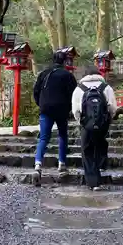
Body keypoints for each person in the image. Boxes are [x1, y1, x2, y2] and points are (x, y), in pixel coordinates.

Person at [32, 51, 77, 186]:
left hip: (46, 109)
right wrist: (70, 109)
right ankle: (61, 164)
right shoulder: (67, 75)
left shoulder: (44, 74)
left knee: (44, 137)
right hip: (62, 110)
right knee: (62, 136)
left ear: (53, 60)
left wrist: (41, 104)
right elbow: (74, 94)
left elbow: (36, 91)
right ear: (64, 62)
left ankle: (38, 165)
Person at [72, 66, 117, 191]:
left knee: (87, 150)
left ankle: (94, 182)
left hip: (86, 124)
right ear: (98, 74)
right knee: (100, 142)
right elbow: (112, 107)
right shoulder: (106, 87)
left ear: (85, 76)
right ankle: (102, 164)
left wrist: (81, 121)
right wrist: (108, 119)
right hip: (102, 123)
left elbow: (75, 110)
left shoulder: (79, 89)